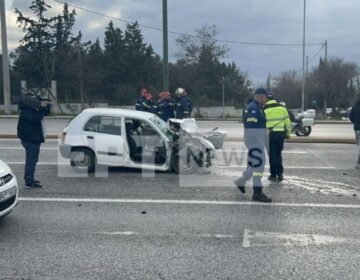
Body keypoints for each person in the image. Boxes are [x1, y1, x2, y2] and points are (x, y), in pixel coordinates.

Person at [234, 88, 272, 203]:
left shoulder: (256, 107)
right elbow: (251, 127)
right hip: (254, 140)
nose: (266, 100)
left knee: (255, 164)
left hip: (254, 140)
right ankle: (257, 193)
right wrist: (264, 133)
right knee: (259, 166)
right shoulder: (254, 108)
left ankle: (242, 181)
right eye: (266, 97)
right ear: (260, 96)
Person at [17, 97, 51, 188]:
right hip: (30, 140)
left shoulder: (30, 109)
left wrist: (47, 106)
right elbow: (36, 119)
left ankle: (29, 178)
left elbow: (44, 113)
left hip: (32, 138)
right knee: (31, 161)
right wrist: (42, 107)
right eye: (39, 102)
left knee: (32, 160)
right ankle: (29, 180)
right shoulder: (27, 110)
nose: (39, 103)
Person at [263, 96, 291, 183]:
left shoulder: (264, 109)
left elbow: (262, 123)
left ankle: (273, 175)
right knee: (278, 154)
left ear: (267, 100)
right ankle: (280, 174)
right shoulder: (282, 108)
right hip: (280, 134)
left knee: (272, 155)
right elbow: (288, 122)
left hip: (270, 135)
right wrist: (287, 134)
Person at [349, 99, 360, 169]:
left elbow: (350, 117)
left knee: (358, 145)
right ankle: (358, 162)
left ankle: (358, 162)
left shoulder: (354, 107)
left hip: (356, 128)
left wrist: (355, 122)